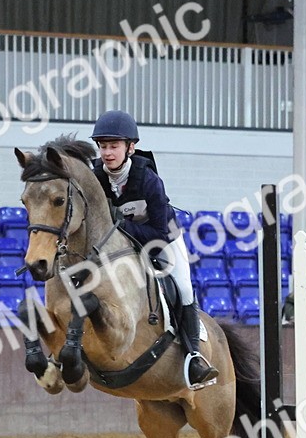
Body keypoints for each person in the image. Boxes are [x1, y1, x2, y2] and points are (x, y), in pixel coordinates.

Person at [89, 109, 218, 386]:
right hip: (122, 247)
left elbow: (158, 231)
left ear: (130, 147)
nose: (107, 153)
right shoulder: (97, 175)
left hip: (162, 240)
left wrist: (120, 228)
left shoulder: (149, 181)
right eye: (102, 146)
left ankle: (194, 357)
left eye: (114, 146)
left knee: (183, 287)